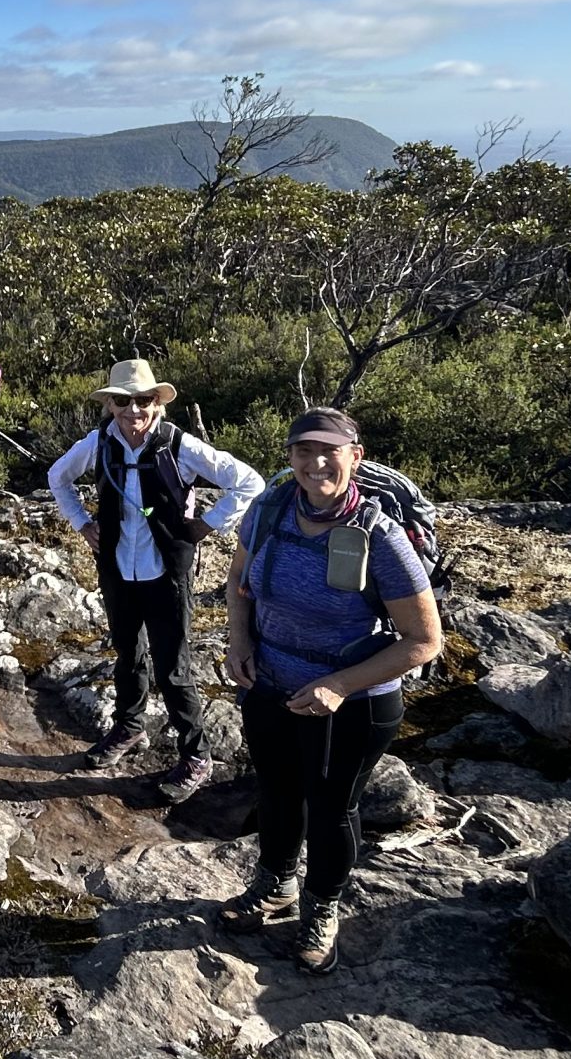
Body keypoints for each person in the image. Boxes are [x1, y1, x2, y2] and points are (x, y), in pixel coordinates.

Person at [220, 406, 443, 975]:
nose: (315, 463)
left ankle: (322, 909)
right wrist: (239, 641)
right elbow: (239, 580)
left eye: (329, 452)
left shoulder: (379, 537)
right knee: (276, 792)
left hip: (354, 703)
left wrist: (339, 685)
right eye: (304, 451)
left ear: (355, 457)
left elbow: (424, 640)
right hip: (270, 684)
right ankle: (274, 886)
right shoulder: (269, 511)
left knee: (331, 807)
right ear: (290, 457)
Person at [47, 360, 266, 799]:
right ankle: (129, 728)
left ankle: (196, 754)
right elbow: (58, 477)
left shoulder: (178, 445)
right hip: (116, 568)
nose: (134, 410)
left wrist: (208, 524)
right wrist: (82, 523)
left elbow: (249, 482)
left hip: (166, 572)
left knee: (172, 666)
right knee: (127, 654)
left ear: (157, 404)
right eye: (122, 401)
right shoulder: (97, 443)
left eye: (143, 400)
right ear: (110, 405)